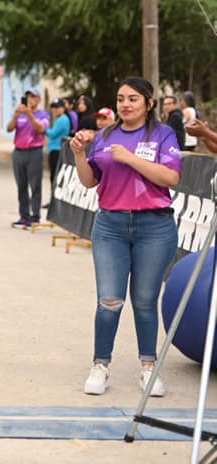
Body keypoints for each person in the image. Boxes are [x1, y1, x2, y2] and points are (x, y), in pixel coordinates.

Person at [69, 77, 180, 397]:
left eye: (133, 99)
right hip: (110, 227)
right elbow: (90, 182)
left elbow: (171, 176)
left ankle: (149, 368)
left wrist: (131, 158)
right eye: (120, 99)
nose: (125, 105)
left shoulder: (163, 134)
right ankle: (100, 366)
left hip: (155, 227)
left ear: (148, 103)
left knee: (145, 301)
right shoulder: (104, 135)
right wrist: (80, 155)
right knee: (109, 300)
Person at [5, 87, 49, 229]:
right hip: (19, 152)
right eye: (28, 97)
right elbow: (9, 128)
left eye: (34, 97)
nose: (31, 99)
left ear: (39, 99)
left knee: (35, 185)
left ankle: (35, 216)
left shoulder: (43, 115)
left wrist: (30, 115)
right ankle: (23, 216)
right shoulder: (20, 114)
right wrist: (15, 116)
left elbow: (41, 129)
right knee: (21, 185)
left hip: (34, 152)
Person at [43, 99, 72, 209]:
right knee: (54, 176)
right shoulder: (60, 119)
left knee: (55, 176)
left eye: (57, 107)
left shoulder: (62, 119)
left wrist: (44, 128)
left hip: (57, 150)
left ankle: (55, 202)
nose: (55, 109)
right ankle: (54, 201)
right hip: (55, 149)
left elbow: (52, 134)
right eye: (53, 107)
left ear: (63, 108)